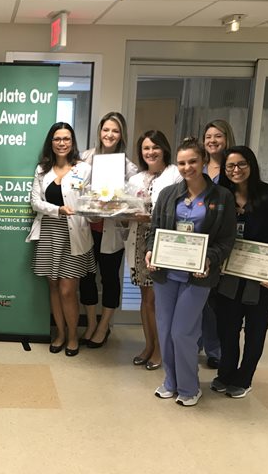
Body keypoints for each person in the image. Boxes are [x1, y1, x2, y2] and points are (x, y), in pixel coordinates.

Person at [145, 137, 236, 407]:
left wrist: (210, 259)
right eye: (182, 163)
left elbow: (227, 240)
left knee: (183, 332)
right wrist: (151, 251)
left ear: (204, 161)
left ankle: (189, 386)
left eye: (193, 161)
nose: (187, 168)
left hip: (198, 275)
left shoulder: (222, 198)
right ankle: (170, 382)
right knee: (165, 329)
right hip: (166, 273)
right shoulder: (168, 195)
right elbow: (154, 231)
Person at [212, 146, 268, 398]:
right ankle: (225, 373)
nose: (236, 170)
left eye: (241, 164)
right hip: (228, 276)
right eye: (230, 166)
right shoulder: (221, 197)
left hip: (261, 279)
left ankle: (244, 378)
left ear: (252, 165)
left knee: (255, 331)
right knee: (227, 328)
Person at [27, 122, 95, 356]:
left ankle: (74, 335)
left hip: (73, 233)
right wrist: (57, 210)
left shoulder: (83, 169)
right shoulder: (42, 170)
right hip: (49, 232)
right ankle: (61, 334)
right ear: (51, 142)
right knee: (54, 286)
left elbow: (91, 200)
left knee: (68, 289)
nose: (62, 143)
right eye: (57, 139)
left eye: (66, 138)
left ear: (72, 142)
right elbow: (35, 202)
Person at [79, 112, 138, 347]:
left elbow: (133, 200)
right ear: (99, 132)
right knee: (87, 277)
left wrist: (117, 202)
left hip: (112, 232)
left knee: (111, 279)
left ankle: (104, 326)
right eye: (106, 130)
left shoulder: (129, 167)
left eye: (115, 131)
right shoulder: (85, 158)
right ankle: (91, 322)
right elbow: (77, 189)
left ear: (121, 134)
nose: (109, 135)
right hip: (87, 228)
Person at [125, 130, 181, 370]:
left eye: (155, 147)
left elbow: (178, 210)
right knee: (145, 297)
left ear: (165, 149)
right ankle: (148, 345)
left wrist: (148, 216)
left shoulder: (175, 174)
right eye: (146, 148)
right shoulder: (136, 179)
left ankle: (161, 349)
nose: (150, 152)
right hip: (138, 239)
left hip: (162, 240)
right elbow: (127, 208)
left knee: (159, 299)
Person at [200, 119, 236, 369]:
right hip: (197, 240)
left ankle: (216, 349)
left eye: (218, 136)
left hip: (222, 241)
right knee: (198, 296)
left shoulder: (233, 169)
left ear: (227, 138)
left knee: (217, 299)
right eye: (208, 136)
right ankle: (197, 343)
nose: (212, 140)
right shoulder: (198, 167)